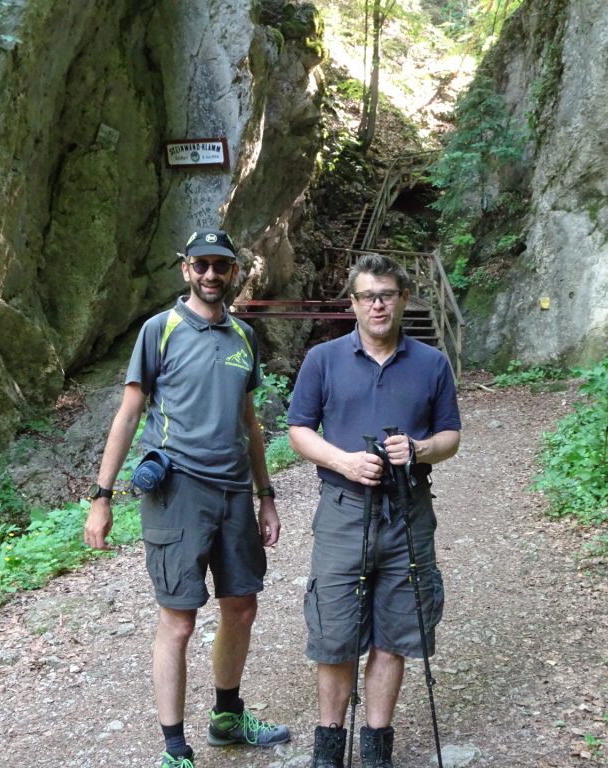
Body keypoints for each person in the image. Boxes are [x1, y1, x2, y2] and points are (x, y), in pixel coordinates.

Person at [84, 228, 290, 768]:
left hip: (233, 493)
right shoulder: (161, 330)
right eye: (201, 265)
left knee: (241, 607)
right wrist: (101, 496)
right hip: (177, 490)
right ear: (185, 270)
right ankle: (174, 748)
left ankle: (226, 718)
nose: (211, 275)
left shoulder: (244, 338)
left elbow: (250, 424)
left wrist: (265, 495)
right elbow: (129, 413)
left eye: (220, 266)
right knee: (179, 619)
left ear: (233, 272)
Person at [287, 252, 462, 768]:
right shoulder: (324, 359)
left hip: (409, 509)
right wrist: (341, 461)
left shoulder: (432, 363)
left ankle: (376, 747)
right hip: (343, 510)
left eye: (387, 294)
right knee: (335, 631)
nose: (378, 304)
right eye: (368, 296)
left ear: (404, 299)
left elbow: (451, 435)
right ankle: (327, 747)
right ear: (354, 303)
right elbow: (298, 430)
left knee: (397, 628)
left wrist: (421, 449)